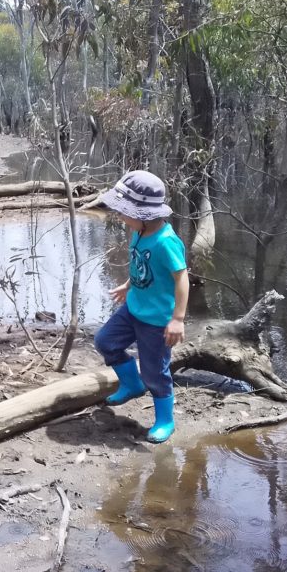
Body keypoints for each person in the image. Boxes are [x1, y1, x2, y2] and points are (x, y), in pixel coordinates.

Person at [94, 170, 189, 443]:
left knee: (155, 372)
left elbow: (182, 279)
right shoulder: (139, 231)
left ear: (144, 214)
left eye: (124, 212)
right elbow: (141, 268)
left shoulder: (165, 241)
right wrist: (128, 285)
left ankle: (165, 420)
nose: (121, 217)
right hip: (134, 308)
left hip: (157, 320)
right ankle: (132, 384)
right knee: (105, 341)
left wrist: (178, 319)